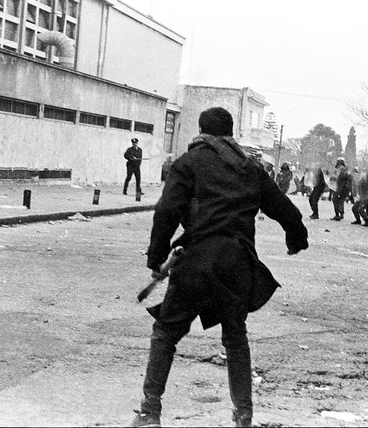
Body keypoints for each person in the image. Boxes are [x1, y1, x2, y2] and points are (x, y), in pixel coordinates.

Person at [131, 107, 308, 428]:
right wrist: (296, 238)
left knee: (166, 333)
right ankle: (243, 414)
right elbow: (285, 207)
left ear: (201, 132)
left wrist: (156, 258)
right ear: (230, 134)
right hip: (236, 265)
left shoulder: (189, 163)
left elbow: (166, 212)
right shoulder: (249, 168)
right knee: (236, 339)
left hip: (195, 260)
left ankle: (149, 411)